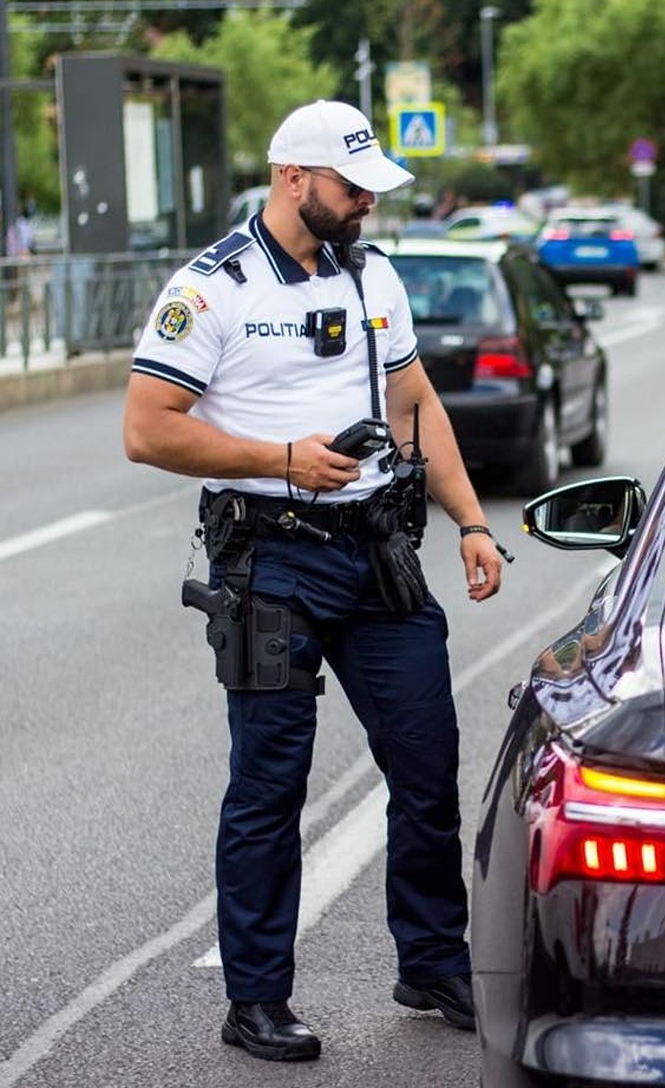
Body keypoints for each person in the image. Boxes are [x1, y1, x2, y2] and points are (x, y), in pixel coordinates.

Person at [122, 99, 506, 1061]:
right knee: (269, 783)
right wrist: (281, 457)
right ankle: (255, 997)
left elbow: (413, 402)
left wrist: (471, 521)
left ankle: (431, 960)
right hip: (271, 554)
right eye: (352, 185)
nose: (367, 202)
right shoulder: (212, 289)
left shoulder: (375, 275)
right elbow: (147, 427)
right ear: (294, 179)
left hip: (375, 550)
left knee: (425, 763)